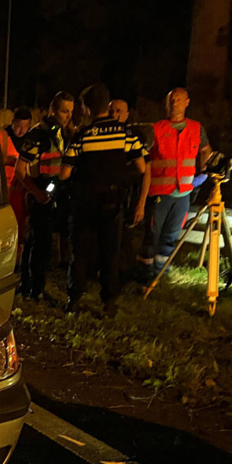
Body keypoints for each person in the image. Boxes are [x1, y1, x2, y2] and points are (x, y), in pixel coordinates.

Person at [60, 84, 150, 315]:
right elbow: (141, 167)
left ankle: (74, 298)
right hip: (113, 202)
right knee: (111, 253)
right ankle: (109, 301)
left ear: (87, 109)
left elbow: (64, 174)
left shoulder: (81, 136)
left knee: (79, 253)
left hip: (84, 203)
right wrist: (119, 178)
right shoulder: (127, 134)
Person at [142, 88, 213, 279]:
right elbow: (143, 160)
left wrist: (204, 173)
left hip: (183, 194)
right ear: (166, 103)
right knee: (152, 234)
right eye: (171, 100)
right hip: (159, 193)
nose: (175, 104)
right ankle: (146, 272)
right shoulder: (156, 129)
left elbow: (206, 150)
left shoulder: (196, 128)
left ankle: (162, 271)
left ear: (187, 102)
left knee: (171, 235)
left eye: (179, 100)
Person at [17, 91, 74, 301]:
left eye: (70, 112)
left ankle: (30, 285)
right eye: (64, 111)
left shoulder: (66, 133)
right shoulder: (38, 134)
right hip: (41, 192)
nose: (67, 116)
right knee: (39, 244)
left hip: (57, 193)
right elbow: (20, 169)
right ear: (52, 110)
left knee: (41, 242)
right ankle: (33, 288)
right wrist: (37, 193)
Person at [0, 108, 32, 254]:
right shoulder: (0, 136)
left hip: (18, 193)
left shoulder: (31, 139)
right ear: (12, 122)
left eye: (25, 127)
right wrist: (5, 160)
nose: (21, 131)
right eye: (18, 126)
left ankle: (16, 257)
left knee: (18, 227)